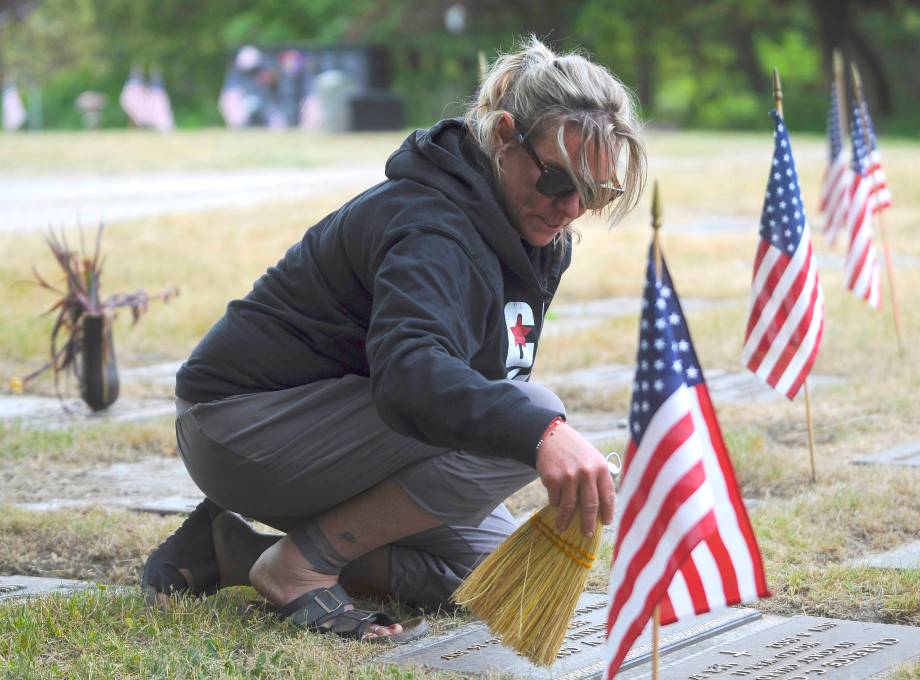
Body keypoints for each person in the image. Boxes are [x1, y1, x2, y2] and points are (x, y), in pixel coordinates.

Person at [142, 36, 646, 643]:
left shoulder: (531, 230)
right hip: (237, 424)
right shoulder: (431, 226)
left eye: (595, 193)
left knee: (496, 576)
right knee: (532, 412)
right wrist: (543, 434)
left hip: (328, 435)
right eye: (559, 181)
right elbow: (412, 375)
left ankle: (233, 550)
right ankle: (300, 569)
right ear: (506, 136)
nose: (571, 208)